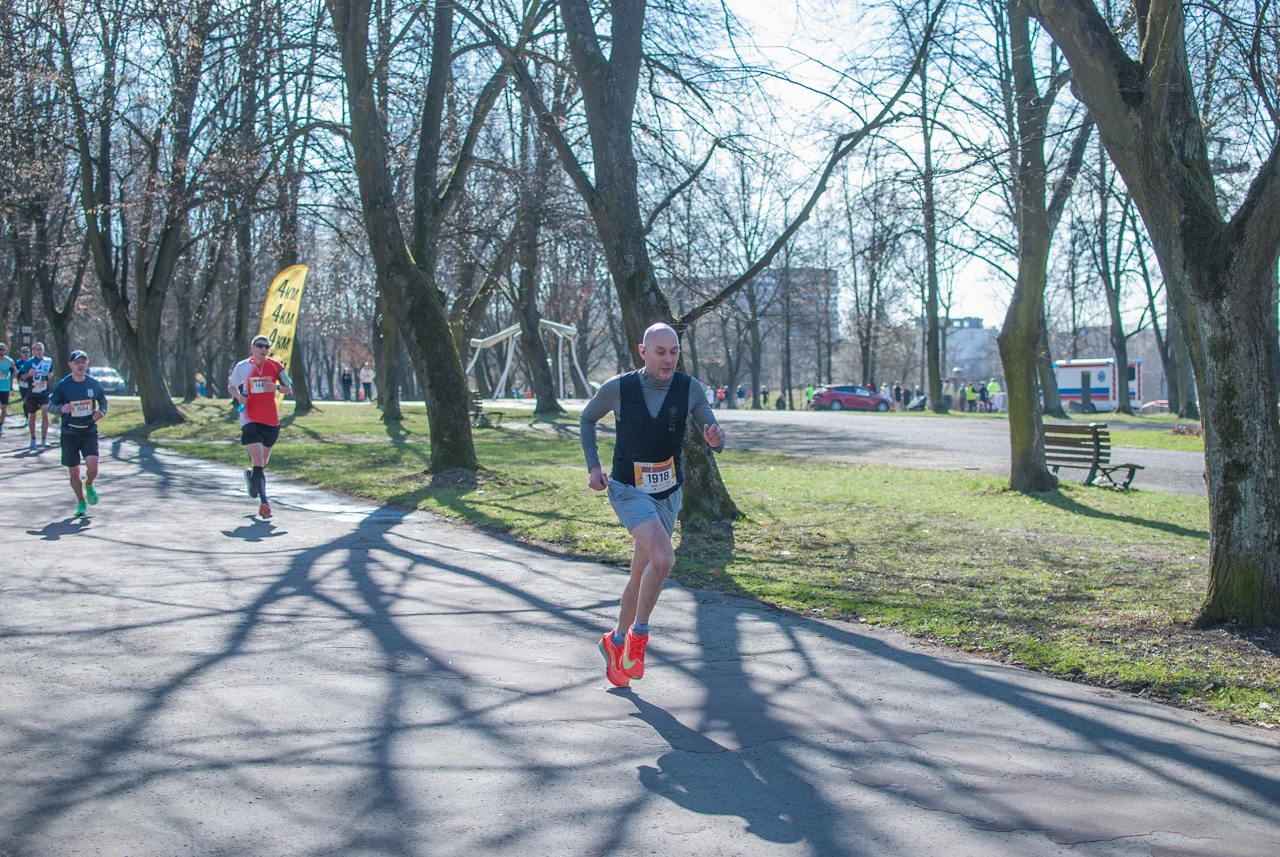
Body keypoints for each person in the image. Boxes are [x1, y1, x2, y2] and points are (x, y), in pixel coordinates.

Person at [581, 323, 725, 687]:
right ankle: (637, 639)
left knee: (641, 572)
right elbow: (586, 418)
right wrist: (593, 467)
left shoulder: (688, 388)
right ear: (643, 352)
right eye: (659, 352)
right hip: (628, 490)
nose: (668, 359)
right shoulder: (618, 388)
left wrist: (715, 437)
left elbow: (712, 429)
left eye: (674, 351)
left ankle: (615, 642)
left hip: (668, 492)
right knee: (663, 559)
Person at [228, 335, 292, 518]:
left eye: (266, 347)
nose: (263, 349)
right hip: (249, 419)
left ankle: (251, 477)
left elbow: (289, 388)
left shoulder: (276, 366)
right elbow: (232, 387)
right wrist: (239, 397)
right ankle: (264, 503)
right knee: (257, 460)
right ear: (252, 347)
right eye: (260, 346)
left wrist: (276, 387)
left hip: (271, 421)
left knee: (262, 463)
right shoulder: (242, 367)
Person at [48, 350, 108, 517]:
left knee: (93, 466)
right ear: (71, 365)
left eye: (83, 361)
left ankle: (89, 484)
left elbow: (103, 401)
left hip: (89, 430)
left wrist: (102, 411)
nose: (80, 365)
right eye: (77, 362)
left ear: (87, 364)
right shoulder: (63, 385)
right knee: (74, 471)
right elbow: (51, 406)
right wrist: (61, 409)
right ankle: (81, 502)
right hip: (69, 432)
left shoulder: (93, 384)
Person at [21, 341, 54, 450]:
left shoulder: (48, 361)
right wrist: (28, 374)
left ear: (43, 351)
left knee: (45, 411)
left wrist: (50, 375)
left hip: (44, 393)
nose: (39, 352)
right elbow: (20, 377)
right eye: (37, 349)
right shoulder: (29, 363)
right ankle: (33, 438)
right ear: (33, 351)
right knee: (33, 416)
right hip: (32, 393)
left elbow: (51, 371)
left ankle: (44, 439)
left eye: (41, 349)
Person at [0, 343, 13, 434]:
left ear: (5, 350)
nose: (1, 351)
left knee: (4, 409)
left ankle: (0, 425)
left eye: (2, 349)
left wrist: (14, 374)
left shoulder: (9, 361)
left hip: (5, 388)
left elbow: (15, 372)